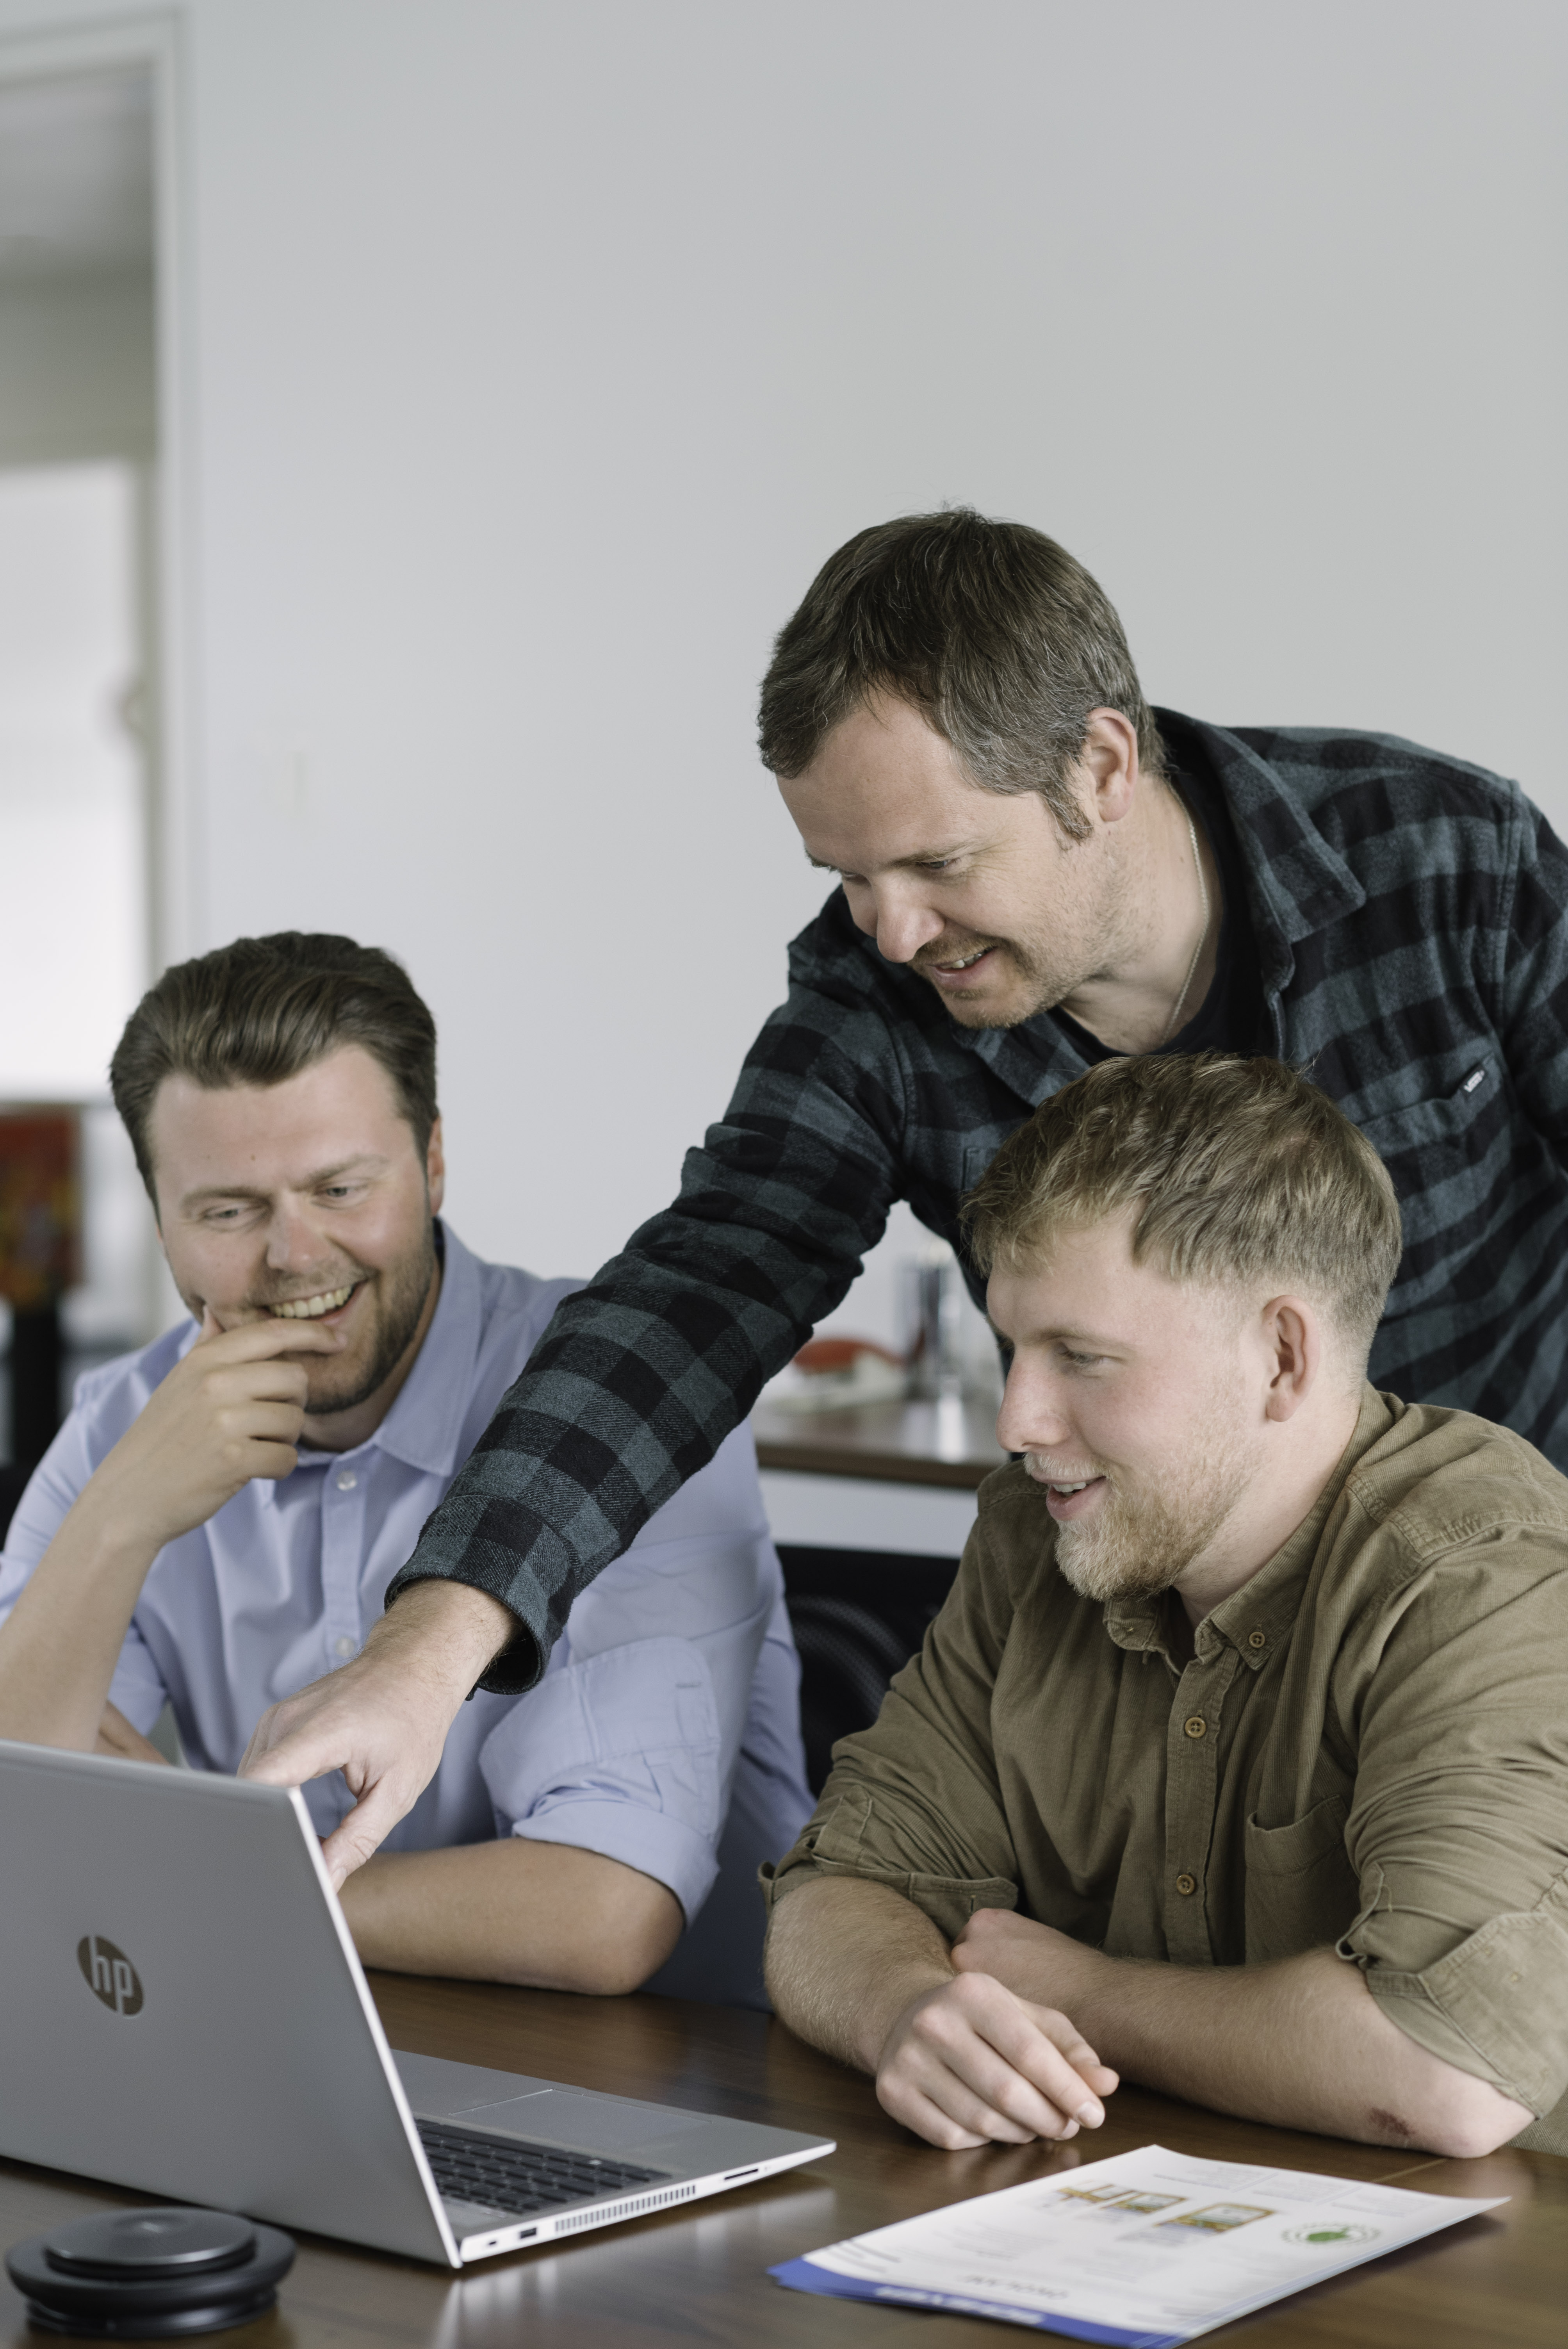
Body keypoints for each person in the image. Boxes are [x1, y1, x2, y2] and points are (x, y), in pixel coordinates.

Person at [236, 508, 1568, 1873]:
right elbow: (700, 1295)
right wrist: (432, 1642)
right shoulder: (877, 998)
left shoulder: (1448, 859)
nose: (895, 932)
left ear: (1101, 764)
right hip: (1152, 1665)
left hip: (1509, 1624)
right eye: (847, 876)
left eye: (938, 863)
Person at [763, 1054, 1568, 2160]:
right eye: (1014, 1347)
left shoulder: (1482, 1571)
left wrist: (1082, 1993)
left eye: (1081, 1358)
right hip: (1133, 2231)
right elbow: (838, 1888)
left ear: (1282, 1358)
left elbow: (1447, 2074)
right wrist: (907, 2008)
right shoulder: (1032, 1531)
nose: (1017, 1420)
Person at [0, 934, 812, 2006]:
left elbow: (602, 1911)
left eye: (340, 1188)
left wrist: (214, 1873)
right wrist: (116, 1523)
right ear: (161, 1220)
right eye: (228, 1211)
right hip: (293, 2042)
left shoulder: (635, 1403)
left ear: (432, 1162)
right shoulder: (125, 1429)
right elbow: (23, 1832)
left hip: (675, 2087)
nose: (294, 1254)